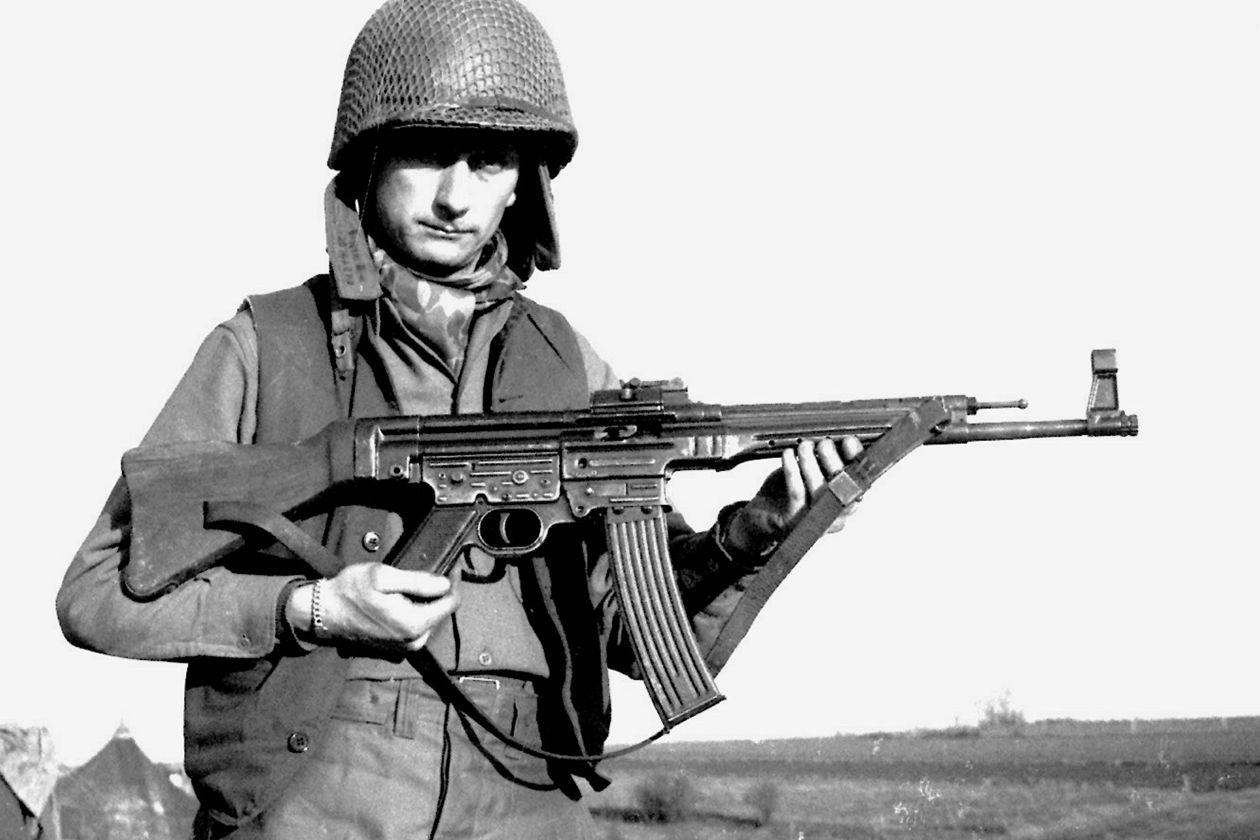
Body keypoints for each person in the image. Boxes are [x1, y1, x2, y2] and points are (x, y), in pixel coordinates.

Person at [57, 1, 862, 837]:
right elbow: (96, 594)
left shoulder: (570, 361)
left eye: (488, 162)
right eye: (429, 156)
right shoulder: (267, 347)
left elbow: (631, 627)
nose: (455, 196)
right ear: (367, 164)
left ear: (527, 181)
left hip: (528, 786)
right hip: (323, 796)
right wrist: (311, 609)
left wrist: (757, 531)